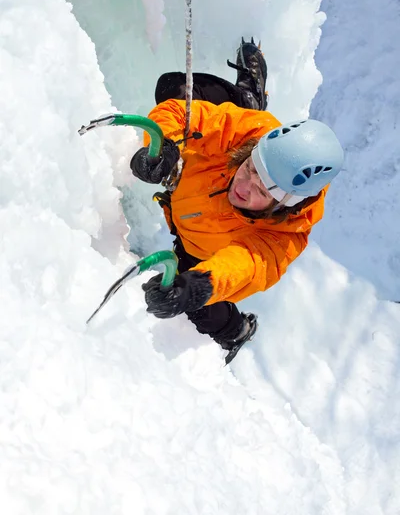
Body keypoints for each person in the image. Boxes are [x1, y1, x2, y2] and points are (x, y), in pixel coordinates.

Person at [130, 39, 344, 363]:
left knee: (203, 312)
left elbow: (245, 267)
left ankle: (238, 332)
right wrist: (165, 147)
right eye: (250, 169)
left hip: (198, 252)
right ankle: (247, 98)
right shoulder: (248, 135)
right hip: (190, 188)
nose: (244, 187)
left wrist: (200, 285)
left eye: (262, 192)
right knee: (173, 88)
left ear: (284, 205)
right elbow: (176, 112)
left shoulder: (283, 239)